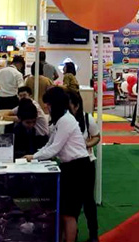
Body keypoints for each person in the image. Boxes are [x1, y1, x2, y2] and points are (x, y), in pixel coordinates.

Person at [24, 87, 92, 242]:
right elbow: (50, 144)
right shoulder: (60, 120)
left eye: (48, 104)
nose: (46, 107)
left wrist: (33, 157)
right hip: (70, 167)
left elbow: (54, 148)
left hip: (78, 168)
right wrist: (35, 155)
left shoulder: (66, 121)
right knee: (63, 211)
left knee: (69, 213)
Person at [67, 90, 100, 242]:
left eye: (69, 105)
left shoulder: (87, 118)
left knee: (88, 201)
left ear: (77, 105)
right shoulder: (62, 120)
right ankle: (72, 234)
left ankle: (93, 234)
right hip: (69, 164)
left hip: (87, 163)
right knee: (72, 202)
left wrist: (87, 144)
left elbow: (97, 137)